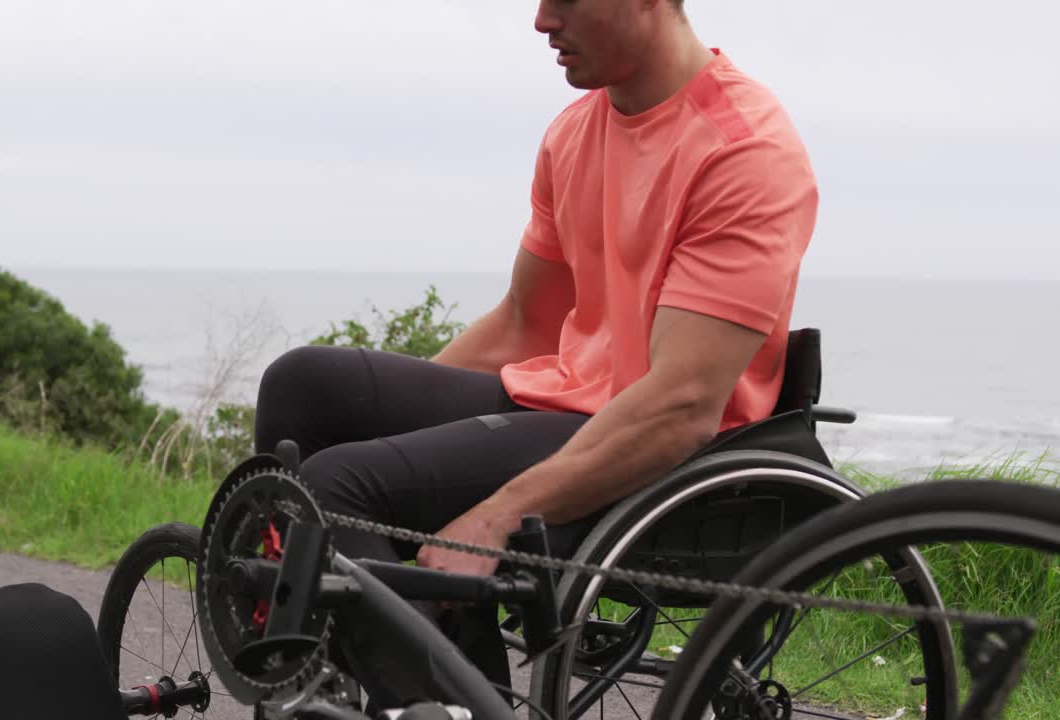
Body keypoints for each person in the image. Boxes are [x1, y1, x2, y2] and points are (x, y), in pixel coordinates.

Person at [252, 0, 818, 700]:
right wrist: (417, 443)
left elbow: (683, 406)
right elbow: (524, 324)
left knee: (342, 485)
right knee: (303, 388)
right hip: (562, 401)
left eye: (565, 1)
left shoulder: (744, 149)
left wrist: (494, 514)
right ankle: (332, 666)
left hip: (666, 450)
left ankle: (445, 705)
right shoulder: (575, 132)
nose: (542, 22)